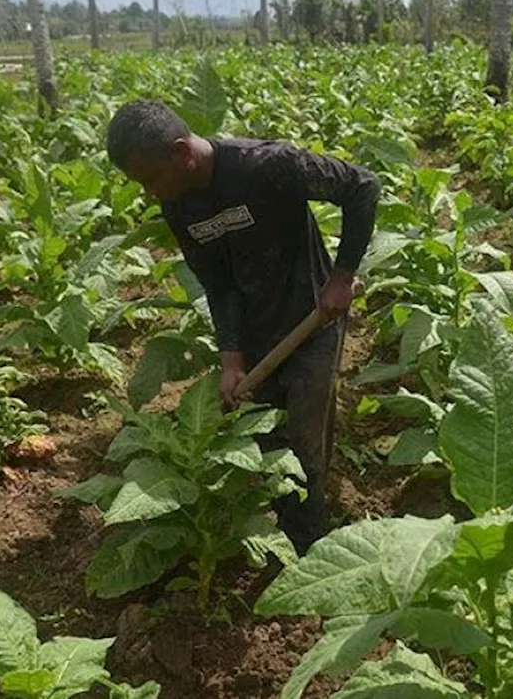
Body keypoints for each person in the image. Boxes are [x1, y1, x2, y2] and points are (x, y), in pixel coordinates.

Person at [105, 99, 381, 554]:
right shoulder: (178, 206)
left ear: (182, 152)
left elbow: (362, 186)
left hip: (313, 319)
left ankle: (309, 548)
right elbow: (217, 282)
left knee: (307, 444)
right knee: (266, 440)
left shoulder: (266, 166)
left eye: (150, 179)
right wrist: (231, 358)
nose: (150, 193)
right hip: (256, 334)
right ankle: (273, 531)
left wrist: (341, 277)